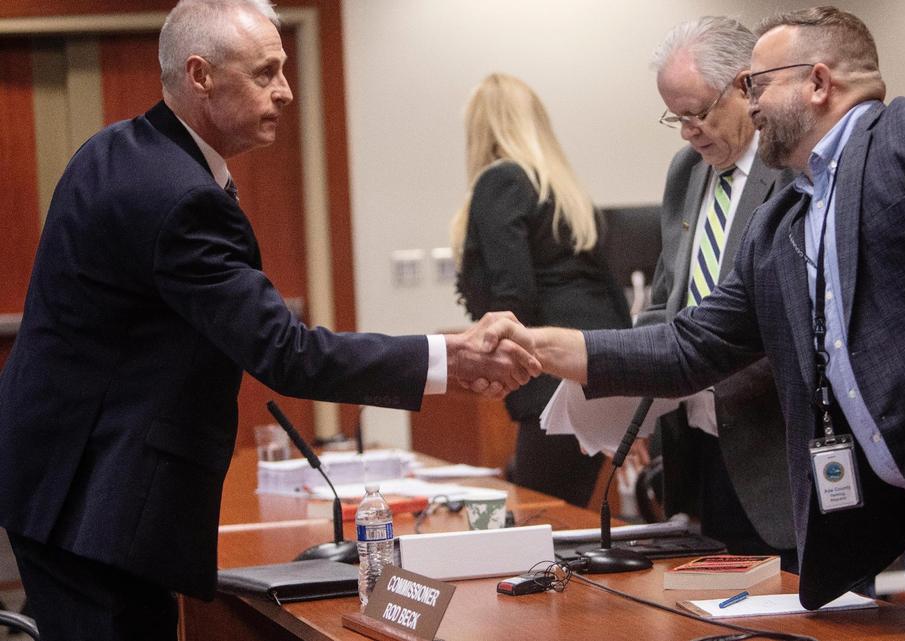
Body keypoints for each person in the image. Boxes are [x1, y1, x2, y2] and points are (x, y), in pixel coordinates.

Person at [517, 6, 905, 640]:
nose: (750, 103)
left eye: (758, 85)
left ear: (817, 82)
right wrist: (539, 347)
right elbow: (693, 345)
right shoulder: (787, 215)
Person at [0, 2, 536, 640]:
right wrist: (450, 357)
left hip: (57, 481)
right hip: (96, 505)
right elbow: (286, 353)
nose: (285, 91)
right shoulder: (180, 196)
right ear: (200, 76)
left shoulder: (117, 148)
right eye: (265, 73)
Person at [641, 16, 796, 566]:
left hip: (782, 462)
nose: (688, 131)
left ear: (744, 85)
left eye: (698, 113)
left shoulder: (793, 170)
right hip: (703, 455)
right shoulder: (686, 172)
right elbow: (665, 301)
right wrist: (624, 387)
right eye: (676, 117)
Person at [451, 73, 631, 507]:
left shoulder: (501, 180)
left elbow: (513, 298)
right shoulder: (563, 192)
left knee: (539, 519)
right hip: (598, 366)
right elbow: (609, 288)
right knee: (569, 514)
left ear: (482, 127)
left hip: (547, 374)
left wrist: (482, 359)